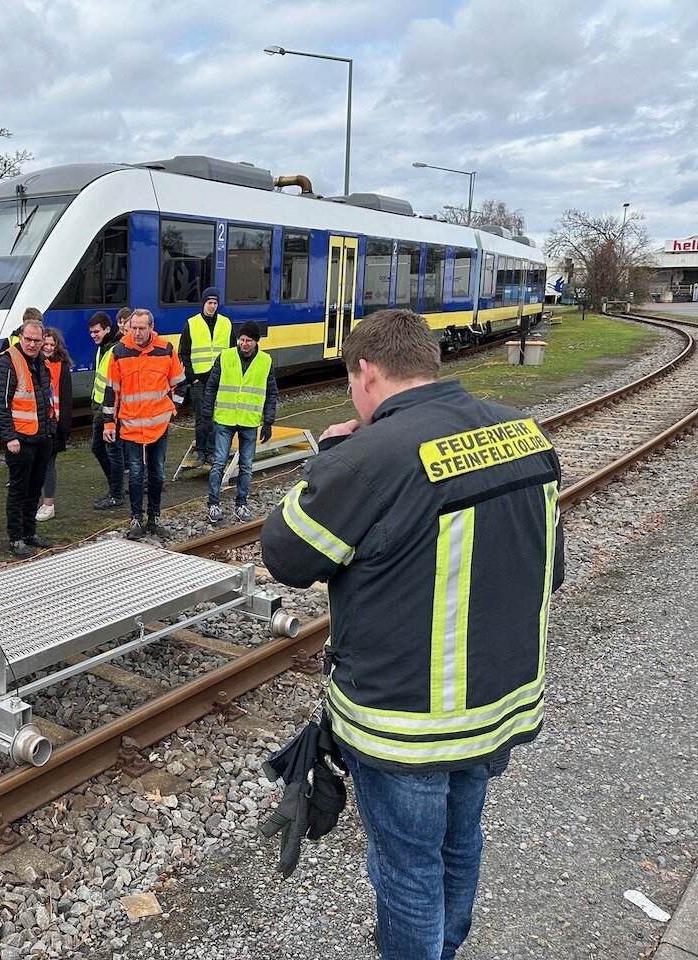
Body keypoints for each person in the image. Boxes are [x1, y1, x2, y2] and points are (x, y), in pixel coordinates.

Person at [259, 309, 564, 960]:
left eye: (351, 382)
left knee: (407, 870)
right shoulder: (526, 433)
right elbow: (550, 570)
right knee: (460, 841)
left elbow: (286, 555)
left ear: (366, 372)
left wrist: (334, 459)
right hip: (500, 705)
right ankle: (446, 947)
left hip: (407, 725)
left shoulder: (372, 453)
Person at [102, 309, 185, 541]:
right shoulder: (119, 351)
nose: (137, 333)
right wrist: (109, 423)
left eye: (141, 328)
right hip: (131, 425)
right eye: (133, 328)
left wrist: (171, 410)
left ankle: (154, 517)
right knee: (136, 473)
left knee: (158, 473)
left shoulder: (166, 349)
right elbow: (112, 391)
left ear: (151, 327)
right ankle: (136, 518)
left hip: (158, 424)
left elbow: (179, 384)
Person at [0, 317, 54, 558]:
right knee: (18, 490)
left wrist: (50, 428)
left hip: (41, 436)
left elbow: (44, 400)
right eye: (27, 339)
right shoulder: (8, 361)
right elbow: (1, 402)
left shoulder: (41, 363)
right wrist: (9, 436)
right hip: (20, 439)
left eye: (36, 340)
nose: (32, 344)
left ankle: (29, 532)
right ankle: (16, 538)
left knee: (34, 488)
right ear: (20, 337)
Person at [205, 320, 278, 524]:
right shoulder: (225, 356)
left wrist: (268, 421)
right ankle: (213, 504)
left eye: (248, 340)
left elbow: (272, 393)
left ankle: (241, 504)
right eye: (241, 339)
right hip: (224, 419)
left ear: (256, 342)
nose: (244, 344)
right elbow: (211, 386)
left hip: (249, 421)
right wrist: (206, 414)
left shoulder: (265, 361)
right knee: (219, 462)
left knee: (246, 466)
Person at [178, 287, 234, 468]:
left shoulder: (226, 324)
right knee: (202, 419)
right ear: (203, 304)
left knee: (217, 418)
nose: (212, 306)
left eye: (215, 303)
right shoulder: (191, 324)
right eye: (209, 303)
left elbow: (233, 351)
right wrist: (192, 378)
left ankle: (211, 452)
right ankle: (201, 452)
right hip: (199, 381)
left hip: (220, 380)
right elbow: (184, 353)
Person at [87, 311, 124, 510]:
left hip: (110, 411)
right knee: (100, 448)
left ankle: (116, 493)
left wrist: (108, 411)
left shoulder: (115, 349)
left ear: (108, 329)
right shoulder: (104, 348)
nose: (93, 335)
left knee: (112, 450)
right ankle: (115, 487)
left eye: (97, 331)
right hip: (102, 409)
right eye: (91, 332)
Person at [36, 327, 72, 523]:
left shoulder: (61, 366)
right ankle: (38, 500)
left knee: (49, 464)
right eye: (46, 344)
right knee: (36, 464)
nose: (48, 348)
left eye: (52, 344)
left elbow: (66, 399)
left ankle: (48, 503)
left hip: (53, 424)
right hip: (35, 423)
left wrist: (63, 428)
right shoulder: (34, 363)